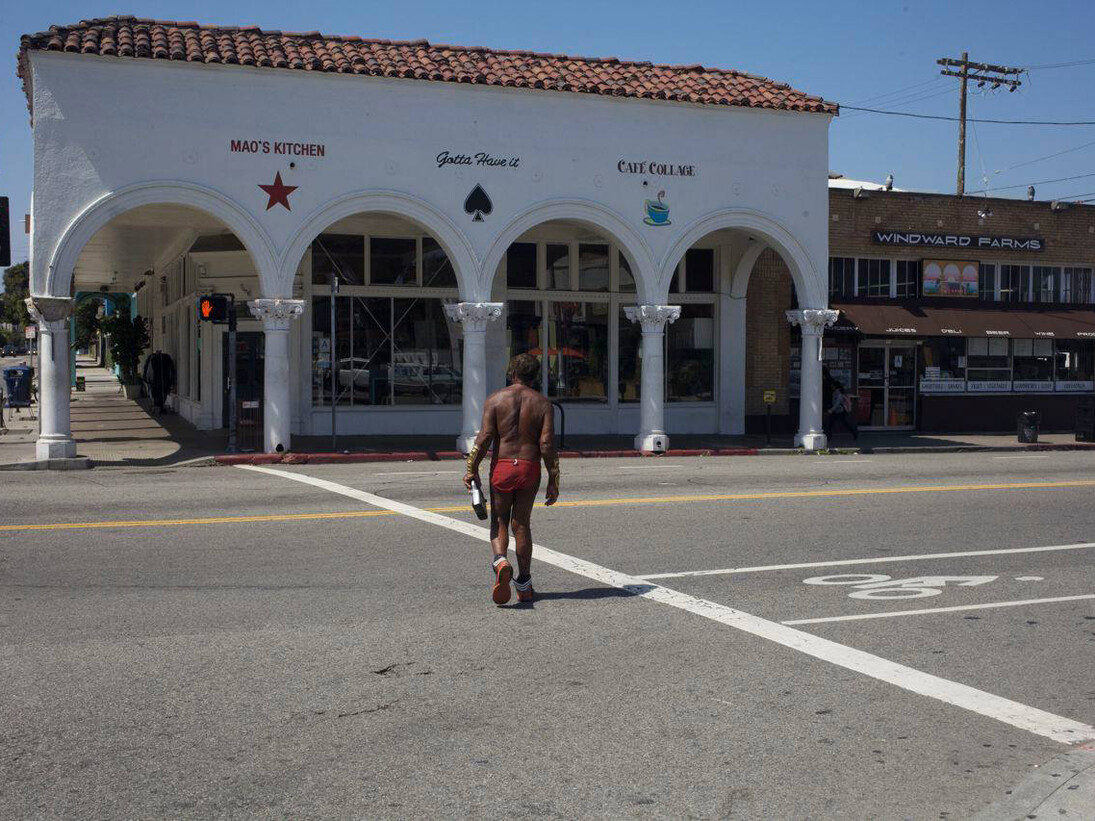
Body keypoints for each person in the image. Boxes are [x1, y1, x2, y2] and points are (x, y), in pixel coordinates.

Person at [463, 353, 559, 605]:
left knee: (500, 519)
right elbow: (547, 444)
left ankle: (500, 560)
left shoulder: (495, 400)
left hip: (503, 466)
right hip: (529, 467)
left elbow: (484, 438)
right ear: (534, 376)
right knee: (522, 524)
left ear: (511, 373)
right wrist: (554, 478)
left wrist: (471, 467)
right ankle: (524, 585)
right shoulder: (543, 404)